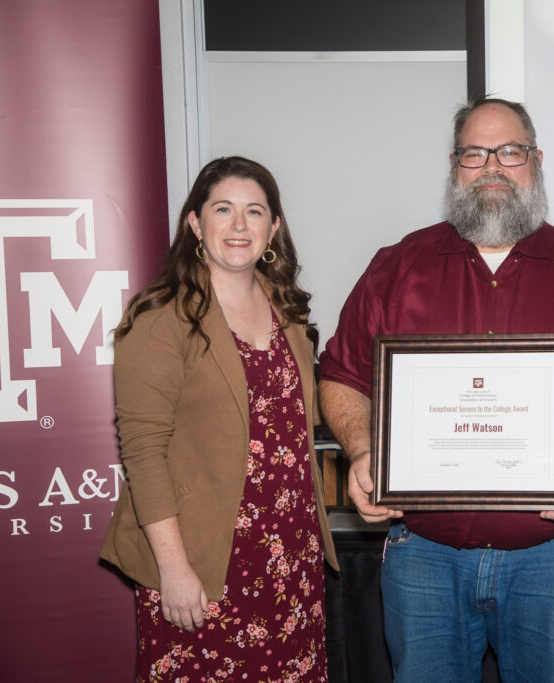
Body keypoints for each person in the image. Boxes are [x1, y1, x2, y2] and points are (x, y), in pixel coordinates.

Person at [318, 97, 554, 681]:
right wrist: (361, 451)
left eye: (509, 152)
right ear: (453, 166)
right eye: (474, 154)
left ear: (535, 162)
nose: (491, 167)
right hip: (424, 557)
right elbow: (342, 375)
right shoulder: (395, 268)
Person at [100, 156, 339, 681]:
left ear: (274, 227)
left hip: (290, 557)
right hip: (206, 561)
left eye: (254, 211)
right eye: (223, 209)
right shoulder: (161, 316)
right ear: (195, 224)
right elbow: (143, 450)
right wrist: (174, 569)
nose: (238, 225)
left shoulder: (288, 311)